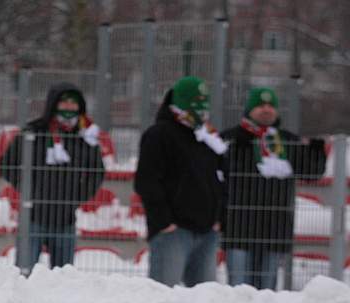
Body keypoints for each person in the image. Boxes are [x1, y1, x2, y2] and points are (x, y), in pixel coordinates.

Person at [220, 87, 326, 289]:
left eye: (270, 106)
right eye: (260, 105)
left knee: (267, 290)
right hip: (239, 227)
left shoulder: (287, 141)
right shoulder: (231, 138)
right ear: (249, 109)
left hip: (274, 229)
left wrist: (316, 151)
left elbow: (311, 173)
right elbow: (218, 174)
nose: (266, 110)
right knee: (238, 290)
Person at [135, 75, 228, 287]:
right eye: (196, 101)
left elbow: (223, 178)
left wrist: (219, 216)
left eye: (205, 101)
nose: (201, 107)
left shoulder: (208, 138)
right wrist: (163, 222)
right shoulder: (159, 134)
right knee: (163, 294)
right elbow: (146, 181)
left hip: (206, 232)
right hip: (174, 232)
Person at [3, 82, 105, 270]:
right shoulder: (33, 131)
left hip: (65, 219)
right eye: (63, 102)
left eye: (73, 103)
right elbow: (7, 163)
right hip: (33, 216)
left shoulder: (86, 136)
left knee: (63, 280)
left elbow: (97, 171)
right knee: (24, 274)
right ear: (53, 103)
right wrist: (26, 189)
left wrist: (78, 197)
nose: (68, 107)